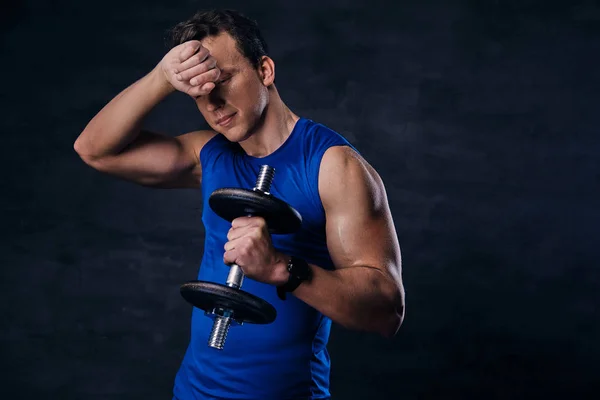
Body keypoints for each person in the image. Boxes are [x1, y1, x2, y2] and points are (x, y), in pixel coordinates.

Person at [74, 9, 405, 400]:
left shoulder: (333, 167)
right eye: (198, 93)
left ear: (264, 70)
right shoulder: (208, 154)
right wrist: (162, 78)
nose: (213, 103)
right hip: (193, 392)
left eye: (223, 80)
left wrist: (281, 268)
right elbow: (94, 150)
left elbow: (386, 311)